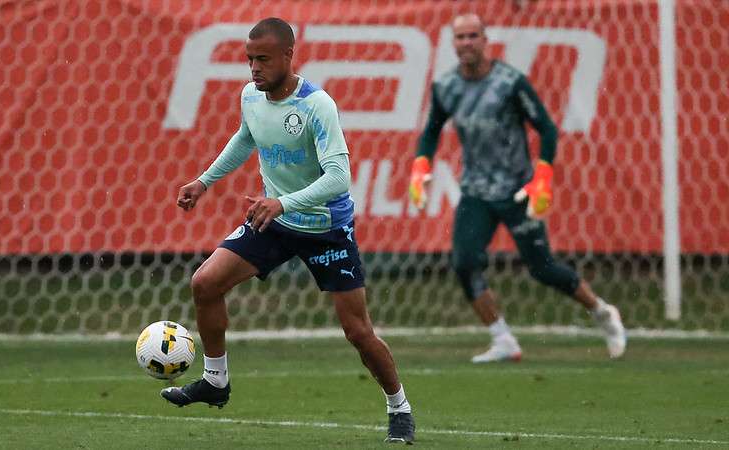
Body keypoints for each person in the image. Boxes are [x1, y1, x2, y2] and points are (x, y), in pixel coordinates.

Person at [162, 17, 415, 444]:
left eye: (262, 59)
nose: (254, 68)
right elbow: (246, 137)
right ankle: (215, 381)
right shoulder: (250, 97)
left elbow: (339, 178)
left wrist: (283, 201)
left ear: (288, 56)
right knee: (205, 283)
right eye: (249, 59)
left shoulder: (317, 105)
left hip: (326, 228)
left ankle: (399, 408)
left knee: (357, 331)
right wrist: (204, 181)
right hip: (274, 222)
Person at [408, 13, 626, 363]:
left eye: (472, 36)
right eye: (460, 37)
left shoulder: (510, 83)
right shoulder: (446, 86)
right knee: (464, 262)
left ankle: (602, 312)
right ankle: (503, 339)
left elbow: (547, 129)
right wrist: (421, 165)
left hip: (517, 190)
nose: (466, 43)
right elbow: (432, 130)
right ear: (454, 43)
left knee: (542, 268)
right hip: (476, 191)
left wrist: (542, 176)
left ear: (485, 39)